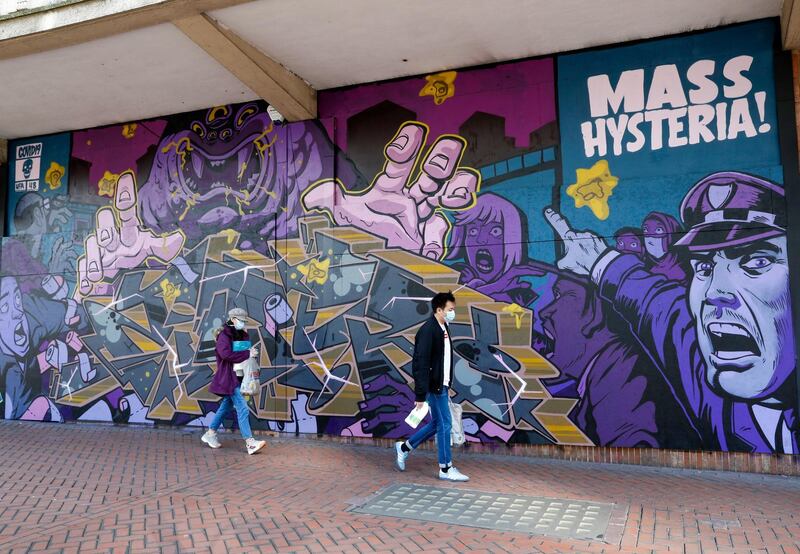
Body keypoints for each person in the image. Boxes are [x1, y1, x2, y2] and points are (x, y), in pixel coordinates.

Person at [544, 171, 796, 453]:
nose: (715, 292)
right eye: (704, 267)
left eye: (757, 261)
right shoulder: (708, 383)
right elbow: (656, 304)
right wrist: (598, 260)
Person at [394, 292, 468, 481]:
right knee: (445, 424)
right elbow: (420, 363)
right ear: (439, 310)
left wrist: (447, 382)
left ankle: (404, 448)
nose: (453, 313)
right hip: (433, 387)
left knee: (438, 423)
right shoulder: (428, 330)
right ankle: (445, 468)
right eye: (450, 310)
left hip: (440, 385)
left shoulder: (443, 327)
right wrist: (420, 395)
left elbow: (443, 359)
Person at [201, 307, 266, 455]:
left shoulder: (241, 334)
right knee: (242, 408)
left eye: (244, 321)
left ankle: (210, 433)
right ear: (233, 319)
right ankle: (250, 443)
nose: (243, 323)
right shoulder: (224, 336)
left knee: (225, 406)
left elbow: (241, 352)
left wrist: (248, 351)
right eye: (241, 321)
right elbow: (226, 354)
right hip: (229, 378)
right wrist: (247, 353)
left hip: (238, 377)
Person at [641, 211, 687, 282]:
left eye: (658, 230)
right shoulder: (645, 269)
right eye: (646, 230)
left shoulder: (686, 267)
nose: (650, 239)